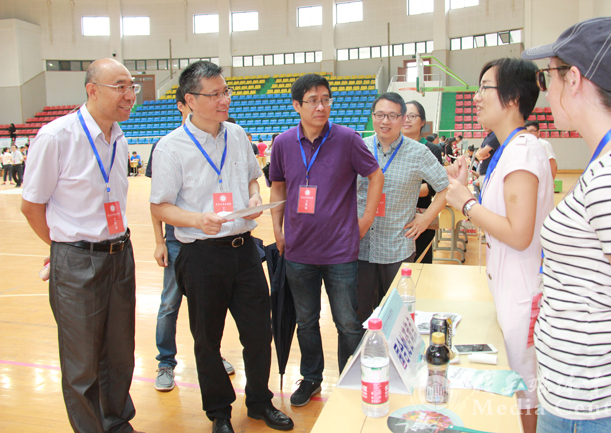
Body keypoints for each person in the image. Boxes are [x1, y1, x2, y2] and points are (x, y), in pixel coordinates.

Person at [150, 61, 293, 433]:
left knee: (259, 331)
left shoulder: (238, 133)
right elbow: (160, 206)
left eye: (225, 91)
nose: (224, 100)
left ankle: (259, 402)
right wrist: (198, 219)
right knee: (207, 339)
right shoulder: (170, 147)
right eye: (214, 94)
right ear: (190, 100)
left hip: (244, 250)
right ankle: (219, 412)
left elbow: (252, 179)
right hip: (201, 255)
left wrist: (253, 198)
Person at [521, 17, 611, 431]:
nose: (546, 92)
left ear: (573, 79)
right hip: (584, 400)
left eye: (548, 77)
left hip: (601, 411)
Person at [20, 58, 142, 433]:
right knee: (82, 364)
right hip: (76, 262)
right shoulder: (56, 137)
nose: (130, 94)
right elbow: (31, 205)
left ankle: (116, 422)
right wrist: (64, 248)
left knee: (119, 355)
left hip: (120, 255)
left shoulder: (118, 137)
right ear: (92, 90)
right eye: (120, 86)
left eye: (132, 86)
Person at [445, 57, 553, 433]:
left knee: (528, 391)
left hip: (523, 293)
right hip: (509, 286)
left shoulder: (522, 151)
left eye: (484, 88)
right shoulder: (509, 150)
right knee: (524, 388)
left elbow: (519, 233)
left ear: (512, 98)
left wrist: (466, 204)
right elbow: (500, 214)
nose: (476, 97)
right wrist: (467, 189)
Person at [269, 73, 383, 407]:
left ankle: (350, 378)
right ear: (297, 105)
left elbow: (375, 175)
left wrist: (365, 220)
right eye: (313, 101)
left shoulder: (347, 139)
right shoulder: (283, 143)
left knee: (347, 322)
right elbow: (278, 187)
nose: (321, 107)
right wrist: (277, 229)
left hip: (340, 251)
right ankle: (311, 378)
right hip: (298, 251)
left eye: (325, 99)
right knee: (306, 321)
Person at [146, 89, 236, 393]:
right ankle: (165, 362)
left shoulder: (222, 140)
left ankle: (212, 355)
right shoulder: (167, 146)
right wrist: (160, 241)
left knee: (209, 305)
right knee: (169, 303)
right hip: (177, 240)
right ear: (185, 104)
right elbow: (158, 202)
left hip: (210, 240)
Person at [357, 92, 448, 323]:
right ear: (372, 116)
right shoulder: (358, 147)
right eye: (380, 115)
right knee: (359, 317)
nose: (385, 121)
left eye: (392, 115)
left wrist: (425, 219)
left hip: (396, 248)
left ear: (402, 118)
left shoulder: (418, 152)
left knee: (396, 318)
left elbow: (445, 189)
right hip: (359, 246)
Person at [401, 100, 442, 264]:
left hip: (421, 217)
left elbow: (431, 188)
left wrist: (398, 191)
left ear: (423, 121)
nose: (407, 119)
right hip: (396, 216)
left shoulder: (431, 149)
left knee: (420, 266)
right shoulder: (392, 147)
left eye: (412, 116)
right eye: (403, 115)